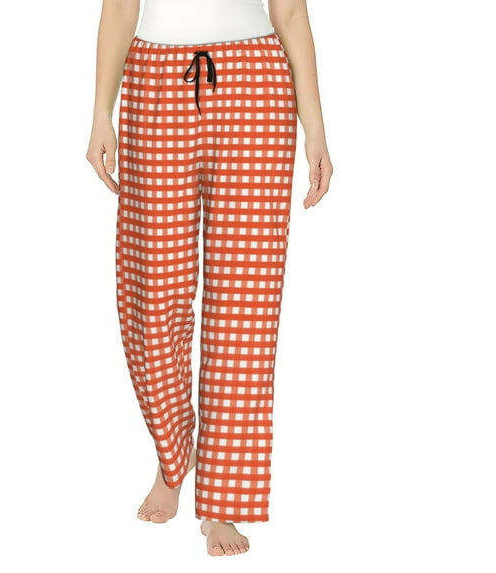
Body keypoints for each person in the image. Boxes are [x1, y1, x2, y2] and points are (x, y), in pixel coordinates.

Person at [86, 0, 333, 557]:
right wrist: (101, 111)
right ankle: (174, 452)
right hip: (154, 79)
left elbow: (291, 12)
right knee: (152, 288)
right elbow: (120, 6)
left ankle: (223, 499)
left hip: (257, 84)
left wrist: (315, 129)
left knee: (245, 304)